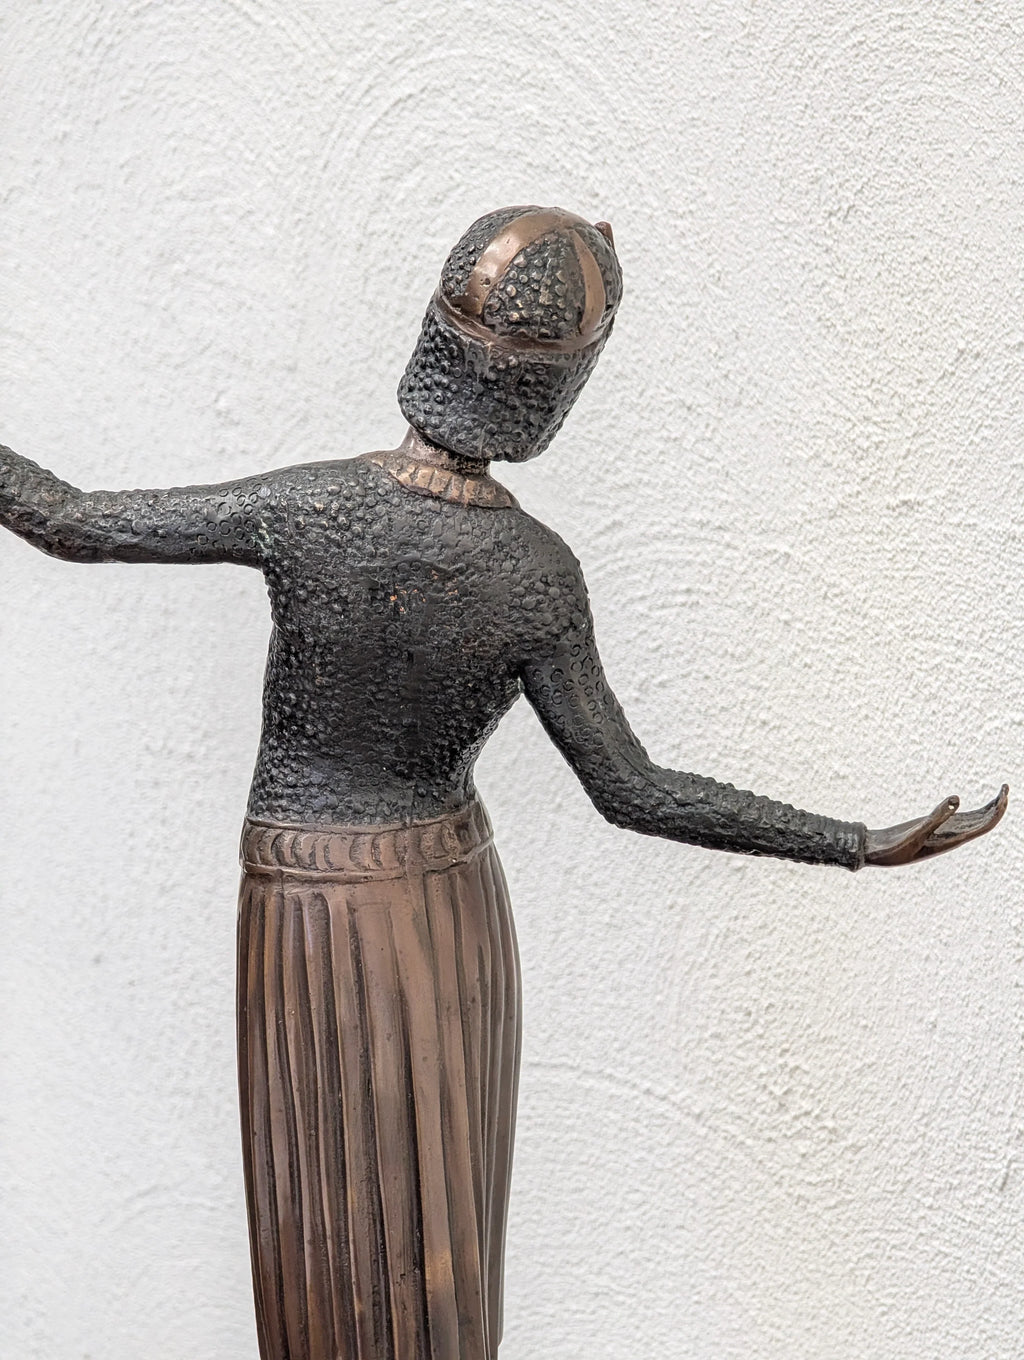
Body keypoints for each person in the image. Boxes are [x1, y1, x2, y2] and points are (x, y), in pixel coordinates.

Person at [0, 206, 1006, 1360]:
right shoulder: (533, 573)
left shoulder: (313, 506)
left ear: (433, 346)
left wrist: (850, 841)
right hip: (444, 916)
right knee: (439, 1237)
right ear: (550, 397)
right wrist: (852, 839)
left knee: (318, 1229)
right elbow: (633, 788)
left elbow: (72, 522)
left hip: (302, 902)